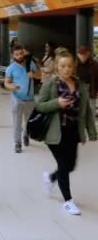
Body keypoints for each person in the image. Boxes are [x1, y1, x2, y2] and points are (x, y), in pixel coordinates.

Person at [36, 50, 97, 215]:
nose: (66, 69)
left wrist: (92, 131)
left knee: (70, 165)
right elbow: (39, 105)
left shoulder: (79, 85)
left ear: (74, 66)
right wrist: (57, 103)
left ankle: (50, 178)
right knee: (64, 165)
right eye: (63, 66)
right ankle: (68, 201)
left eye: (69, 66)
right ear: (57, 66)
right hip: (55, 132)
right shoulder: (51, 83)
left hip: (72, 131)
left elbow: (87, 111)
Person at [5, 45, 42, 153]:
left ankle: (26, 134)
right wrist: (11, 87)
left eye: (21, 53)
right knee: (17, 121)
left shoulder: (30, 63)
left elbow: (40, 75)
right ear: (13, 55)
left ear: (24, 53)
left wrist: (34, 75)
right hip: (17, 98)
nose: (19, 56)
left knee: (28, 121)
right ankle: (17, 143)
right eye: (17, 54)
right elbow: (6, 82)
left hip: (30, 98)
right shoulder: (11, 68)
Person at [75, 46, 98, 118]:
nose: (82, 57)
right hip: (79, 90)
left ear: (88, 54)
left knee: (91, 112)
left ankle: (91, 126)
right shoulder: (75, 64)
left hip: (91, 90)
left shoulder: (95, 64)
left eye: (84, 55)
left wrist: (96, 91)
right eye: (80, 55)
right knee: (80, 112)